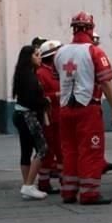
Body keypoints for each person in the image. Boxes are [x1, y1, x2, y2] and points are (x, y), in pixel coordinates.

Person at [54, 12, 112, 205]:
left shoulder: (60, 52)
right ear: (90, 29)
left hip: (65, 108)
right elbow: (106, 83)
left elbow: (58, 79)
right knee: (90, 150)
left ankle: (68, 192)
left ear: (73, 28)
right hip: (87, 108)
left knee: (69, 150)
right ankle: (89, 193)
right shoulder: (95, 51)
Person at [11, 45, 49, 201]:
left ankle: (27, 185)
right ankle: (28, 185)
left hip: (21, 114)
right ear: (29, 57)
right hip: (28, 115)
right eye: (37, 55)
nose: (39, 58)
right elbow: (32, 99)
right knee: (42, 148)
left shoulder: (22, 74)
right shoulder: (29, 77)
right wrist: (45, 101)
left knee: (26, 150)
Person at [36, 39, 63, 194]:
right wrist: (57, 95)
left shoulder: (57, 71)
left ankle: (64, 180)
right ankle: (44, 182)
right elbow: (41, 95)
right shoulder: (41, 73)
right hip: (49, 117)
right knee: (49, 150)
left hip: (61, 115)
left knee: (61, 151)